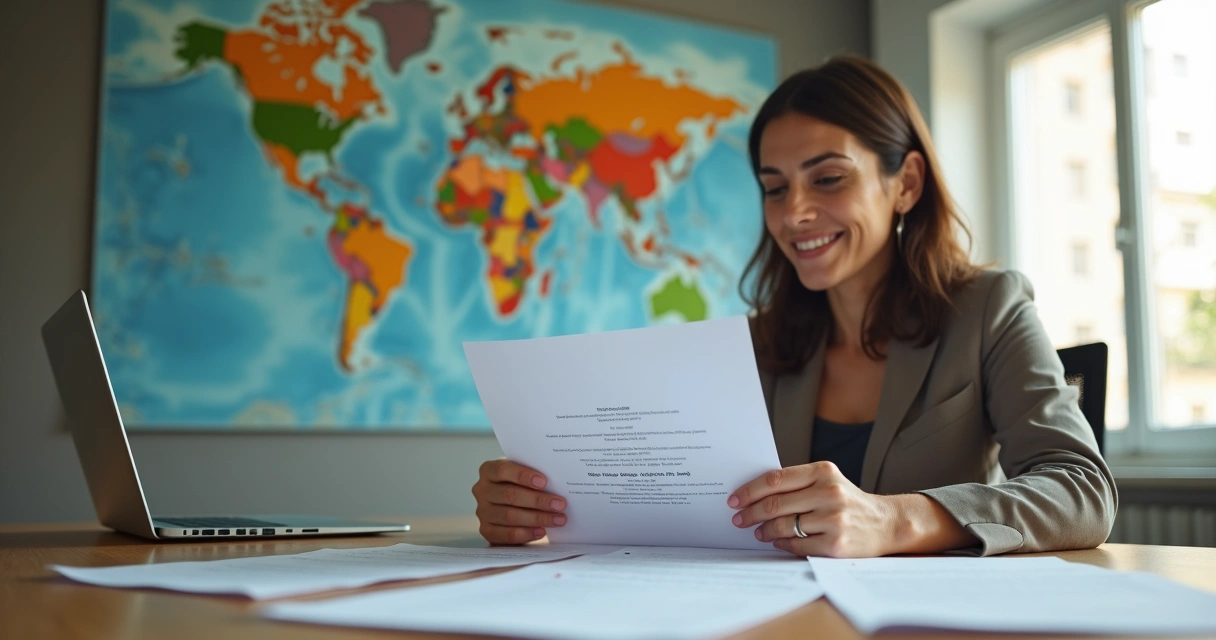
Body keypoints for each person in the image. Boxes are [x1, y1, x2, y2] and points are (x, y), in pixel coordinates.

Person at [471, 55, 1117, 558]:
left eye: (828, 179)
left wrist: (894, 518)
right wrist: (538, 512)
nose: (795, 213)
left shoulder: (988, 310)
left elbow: (1083, 490)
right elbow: (680, 512)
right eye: (774, 188)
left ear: (906, 184)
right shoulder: (752, 346)